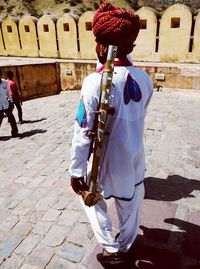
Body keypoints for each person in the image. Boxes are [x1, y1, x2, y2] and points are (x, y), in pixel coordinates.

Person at [68, 2, 154, 267]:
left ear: (103, 47)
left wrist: (75, 171)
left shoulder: (94, 82)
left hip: (104, 161)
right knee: (132, 201)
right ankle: (126, 244)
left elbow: (83, 131)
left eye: (97, 43)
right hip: (134, 158)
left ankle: (109, 247)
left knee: (91, 200)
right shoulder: (145, 79)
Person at [0, 68, 19, 137]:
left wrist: (11, 102)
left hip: (6, 104)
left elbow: (8, 93)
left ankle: (14, 132)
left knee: (12, 119)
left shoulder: (4, 82)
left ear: (1, 74)